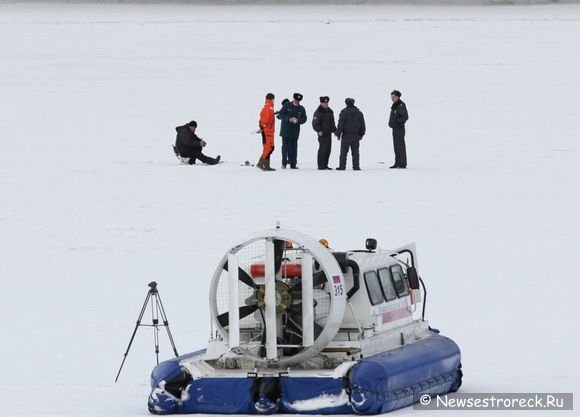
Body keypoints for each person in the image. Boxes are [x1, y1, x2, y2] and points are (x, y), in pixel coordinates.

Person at [277, 93, 307, 169]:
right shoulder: (287, 105)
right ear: (293, 98)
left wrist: (298, 120)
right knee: (285, 147)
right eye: (296, 99)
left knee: (294, 148)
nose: (297, 101)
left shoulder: (301, 108)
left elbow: (304, 119)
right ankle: (284, 163)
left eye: (298, 100)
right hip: (285, 131)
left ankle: (293, 165)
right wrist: (288, 119)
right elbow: (280, 115)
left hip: (295, 131)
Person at [336, 98, 366, 171]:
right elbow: (363, 125)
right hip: (356, 136)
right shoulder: (359, 113)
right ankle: (356, 166)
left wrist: (338, 134)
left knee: (343, 153)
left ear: (346, 103)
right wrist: (361, 134)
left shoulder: (343, 113)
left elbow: (340, 125)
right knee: (355, 152)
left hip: (346, 136)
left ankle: (342, 166)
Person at [312, 96, 336, 170]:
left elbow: (332, 123)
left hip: (329, 134)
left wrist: (335, 130)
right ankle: (321, 166)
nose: (325, 104)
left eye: (326, 102)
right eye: (324, 103)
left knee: (328, 149)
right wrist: (319, 130)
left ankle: (325, 165)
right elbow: (315, 124)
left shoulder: (330, 111)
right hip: (322, 134)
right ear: (321, 103)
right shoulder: (318, 111)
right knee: (322, 149)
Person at [388, 90, 409, 169]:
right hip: (395, 129)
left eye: (393, 97)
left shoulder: (401, 105)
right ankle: (397, 162)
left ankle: (402, 163)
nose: (392, 99)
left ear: (398, 97)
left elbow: (405, 117)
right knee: (396, 146)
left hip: (399, 128)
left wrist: (396, 122)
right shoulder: (395, 105)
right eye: (391, 97)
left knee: (400, 146)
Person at [257, 93, 276, 171]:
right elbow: (265, 120)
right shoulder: (269, 108)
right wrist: (263, 127)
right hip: (268, 131)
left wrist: (261, 127)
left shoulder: (267, 107)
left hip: (267, 131)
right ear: (272, 99)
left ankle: (266, 165)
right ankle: (261, 163)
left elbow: (262, 119)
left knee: (270, 148)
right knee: (268, 148)